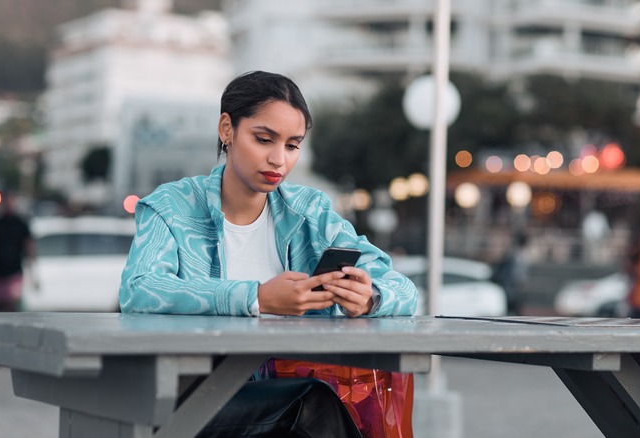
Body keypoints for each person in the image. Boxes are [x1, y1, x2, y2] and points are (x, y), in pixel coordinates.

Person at [120, 71, 419, 437]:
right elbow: (140, 289)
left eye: (292, 146)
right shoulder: (172, 206)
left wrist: (369, 298)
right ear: (226, 129)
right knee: (309, 403)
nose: (278, 159)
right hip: (186, 399)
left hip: (284, 386)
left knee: (310, 403)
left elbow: (403, 289)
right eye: (264, 139)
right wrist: (257, 297)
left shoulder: (309, 211)